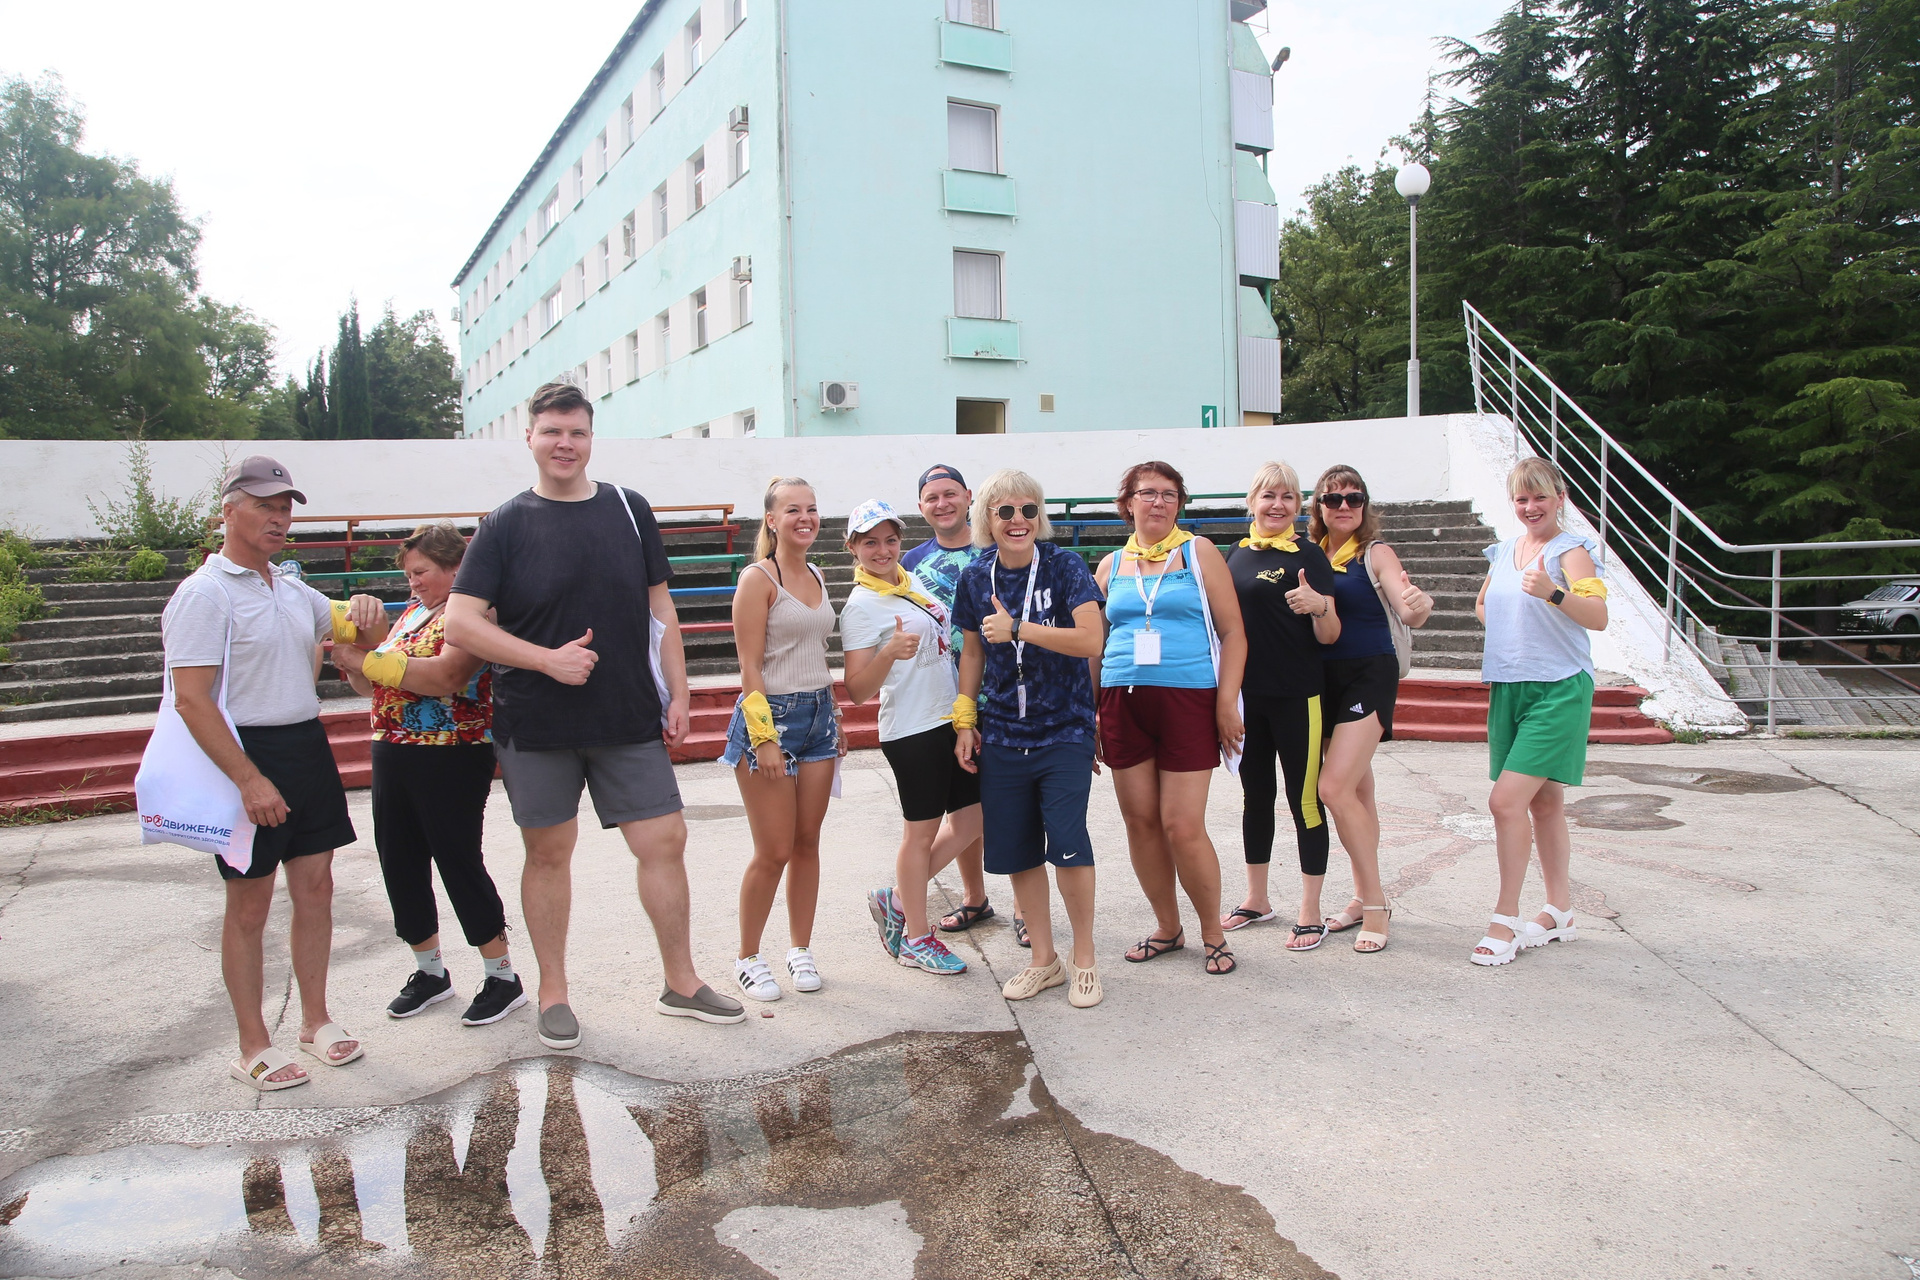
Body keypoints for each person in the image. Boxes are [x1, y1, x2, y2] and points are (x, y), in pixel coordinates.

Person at [444, 381, 743, 1045]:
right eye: (552, 431)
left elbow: (660, 609)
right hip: (537, 723)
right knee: (549, 854)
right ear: (529, 437)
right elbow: (460, 623)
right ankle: (554, 992)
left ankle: (682, 981)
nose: (565, 444)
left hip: (626, 715)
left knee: (664, 842)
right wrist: (544, 660)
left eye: (576, 432)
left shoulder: (629, 510)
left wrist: (679, 691)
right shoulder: (504, 524)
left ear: (590, 438)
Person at [163, 455, 374, 1090]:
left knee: (316, 889)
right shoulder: (205, 593)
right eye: (265, 507)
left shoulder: (290, 587)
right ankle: (252, 1043)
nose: (279, 519)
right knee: (250, 902)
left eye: (285, 508)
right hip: (245, 752)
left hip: (305, 743)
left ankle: (315, 1021)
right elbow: (191, 699)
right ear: (229, 512)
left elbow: (358, 635)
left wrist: (367, 613)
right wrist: (248, 780)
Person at [332, 522, 525, 1025]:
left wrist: (365, 661)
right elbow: (371, 685)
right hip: (392, 747)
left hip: (452, 751)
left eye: (421, 572)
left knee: (457, 859)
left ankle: (502, 976)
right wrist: (354, 664)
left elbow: (447, 676)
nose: (413, 582)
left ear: (456, 568)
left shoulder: (477, 613)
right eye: (409, 575)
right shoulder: (413, 612)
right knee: (400, 861)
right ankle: (430, 971)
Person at [951, 469, 1108, 1008]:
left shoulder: (1065, 566)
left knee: (1068, 844)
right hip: (1002, 733)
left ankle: (1084, 957)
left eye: (1028, 510)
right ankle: (1045, 960)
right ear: (986, 518)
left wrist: (1020, 628)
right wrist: (965, 719)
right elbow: (973, 652)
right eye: (1005, 511)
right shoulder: (976, 576)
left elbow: (1091, 640)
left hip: (1063, 728)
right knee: (1019, 851)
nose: (1018, 520)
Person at [1092, 462, 1247, 977]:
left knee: (1182, 825)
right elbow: (1094, 644)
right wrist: (1091, 709)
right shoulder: (1111, 565)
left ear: (1179, 503)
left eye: (1168, 494)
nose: (1157, 502)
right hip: (1121, 700)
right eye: (1147, 493)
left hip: (1188, 699)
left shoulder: (1198, 553)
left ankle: (1213, 933)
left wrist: (1226, 703)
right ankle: (1167, 927)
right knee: (1140, 822)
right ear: (1127, 503)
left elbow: (1233, 633)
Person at [1470, 457, 1607, 966]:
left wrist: (1553, 594)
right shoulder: (1504, 551)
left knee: (1505, 802)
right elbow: (1484, 605)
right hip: (1510, 686)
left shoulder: (1571, 552)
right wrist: (1516, 630)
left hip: (1559, 688)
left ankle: (1505, 920)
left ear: (1559, 498)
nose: (1531, 507)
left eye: (1540, 497)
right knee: (1544, 803)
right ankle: (1560, 912)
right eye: (1522, 498)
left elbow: (1598, 616)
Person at [840, 499, 979, 976]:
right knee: (920, 835)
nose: (882, 550)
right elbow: (858, 690)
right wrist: (888, 654)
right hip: (912, 730)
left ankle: (898, 897)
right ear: (853, 547)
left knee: (973, 819)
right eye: (870, 542)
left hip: (945, 719)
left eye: (890, 540)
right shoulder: (860, 607)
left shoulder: (908, 581)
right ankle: (918, 938)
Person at [722, 476, 841, 1002]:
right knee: (772, 850)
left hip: (819, 718)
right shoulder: (758, 579)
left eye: (811, 508)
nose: (805, 518)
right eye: (793, 510)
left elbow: (817, 653)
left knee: (807, 842)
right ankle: (747, 957)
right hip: (771, 719)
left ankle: (800, 949)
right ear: (772, 520)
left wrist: (834, 720)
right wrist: (763, 738)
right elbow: (748, 666)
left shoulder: (817, 573)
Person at [1308, 466, 1434, 954]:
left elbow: (1410, 609)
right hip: (1322, 681)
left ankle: (1377, 902)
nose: (1344, 507)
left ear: (1364, 505)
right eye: (1333, 499)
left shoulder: (1374, 552)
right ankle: (1362, 895)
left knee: (1333, 788)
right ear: (1319, 507)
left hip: (1368, 675)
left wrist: (1419, 603)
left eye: (1353, 498)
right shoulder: (1312, 553)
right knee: (1358, 790)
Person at [1220, 461, 1344, 951]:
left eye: (1288, 497)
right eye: (1268, 495)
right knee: (1255, 797)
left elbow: (1330, 635)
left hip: (1298, 696)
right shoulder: (1234, 555)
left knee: (1304, 800)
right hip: (1248, 698)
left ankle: (1310, 910)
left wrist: (1320, 607)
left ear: (1298, 506)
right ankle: (1257, 899)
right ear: (1251, 501)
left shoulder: (1309, 556)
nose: (1277, 505)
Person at [898, 464, 1008, 941]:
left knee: (1008, 803)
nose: (941, 504)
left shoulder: (996, 549)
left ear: (968, 496)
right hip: (944, 699)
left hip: (1001, 694)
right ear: (921, 507)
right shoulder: (910, 563)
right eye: (931, 497)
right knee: (963, 804)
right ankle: (974, 897)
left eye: (949, 494)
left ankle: (1026, 909)